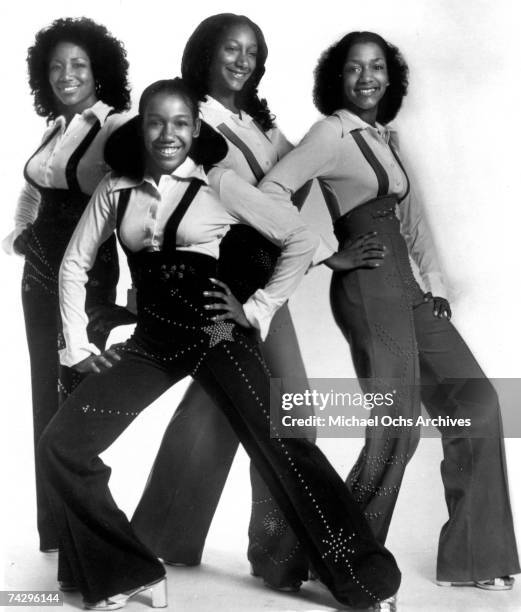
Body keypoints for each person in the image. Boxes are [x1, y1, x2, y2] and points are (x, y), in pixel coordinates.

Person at [37, 78, 400, 611]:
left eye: (181, 122)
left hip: (214, 333)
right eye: (156, 121)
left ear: (196, 128)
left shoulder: (219, 182)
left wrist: (255, 309)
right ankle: (127, 572)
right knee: (62, 446)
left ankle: (366, 583)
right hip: (154, 340)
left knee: (286, 449)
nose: (168, 133)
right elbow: (74, 264)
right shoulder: (115, 190)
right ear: (141, 127)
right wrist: (78, 349)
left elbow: (297, 238)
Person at [131, 13, 384, 592]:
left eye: (252, 51)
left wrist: (332, 240)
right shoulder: (199, 124)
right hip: (231, 281)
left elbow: (306, 172)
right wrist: (327, 253)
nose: (243, 60)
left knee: (220, 407)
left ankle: (159, 537)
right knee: (289, 409)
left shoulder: (259, 125)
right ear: (205, 54)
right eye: (230, 49)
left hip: (264, 280)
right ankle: (278, 555)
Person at [259, 30, 519, 590]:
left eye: (377, 66)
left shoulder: (381, 137)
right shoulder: (330, 134)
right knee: (396, 430)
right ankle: (340, 561)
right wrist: (330, 254)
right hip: (368, 287)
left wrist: (435, 283)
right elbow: (272, 189)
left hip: (409, 289)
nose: (367, 77)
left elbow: (414, 219)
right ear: (338, 77)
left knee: (477, 400)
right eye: (354, 68)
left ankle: (475, 557)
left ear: (390, 77)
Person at [2, 17, 133, 553]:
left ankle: (90, 536)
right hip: (37, 277)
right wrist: (18, 237)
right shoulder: (55, 128)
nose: (66, 74)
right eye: (55, 66)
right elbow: (32, 192)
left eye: (78, 64)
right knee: (43, 394)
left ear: (99, 70)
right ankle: (56, 533)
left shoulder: (118, 126)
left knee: (75, 400)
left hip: (87, 277)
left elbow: (137, 200)